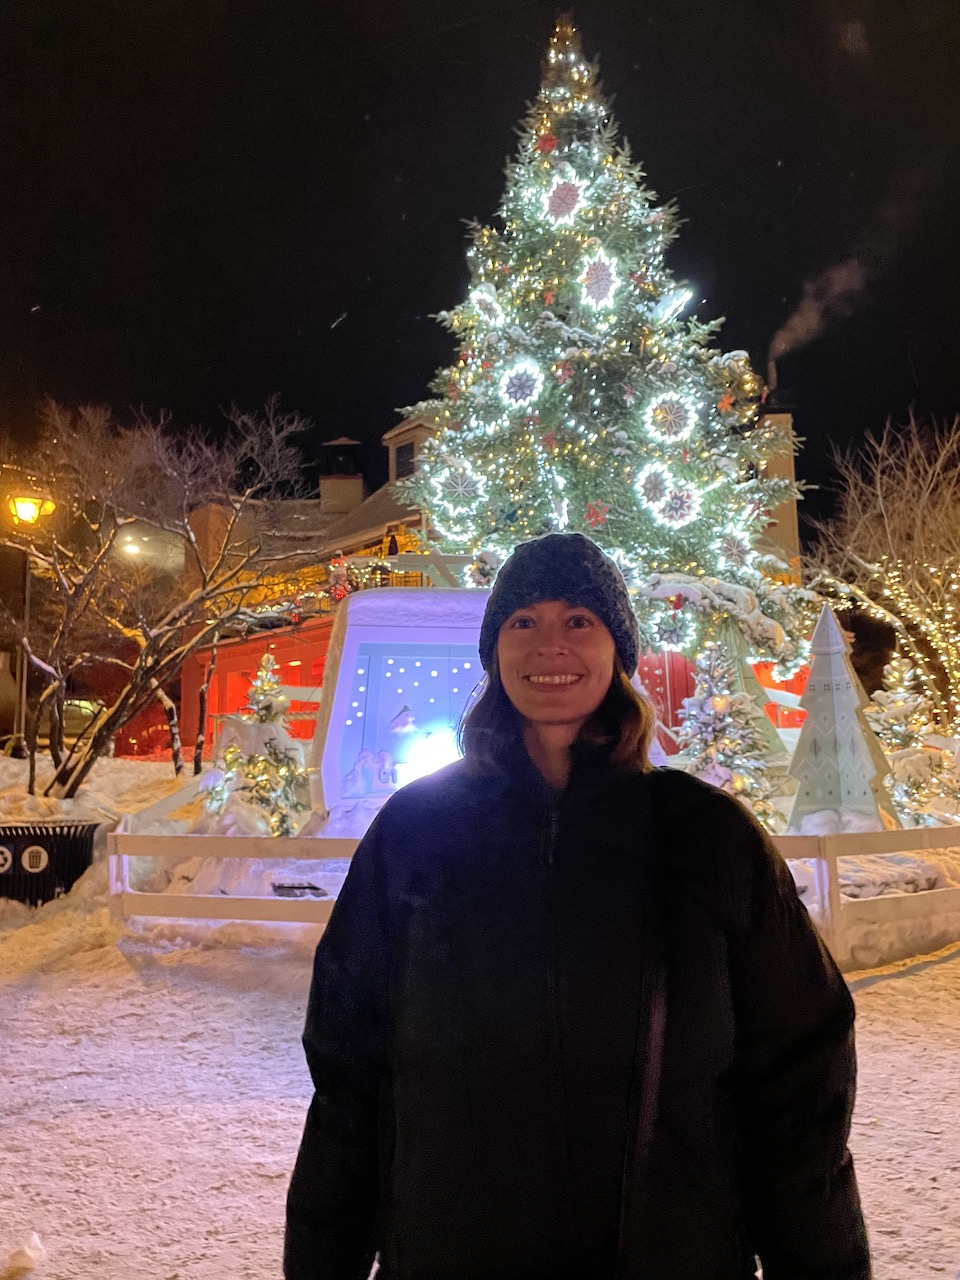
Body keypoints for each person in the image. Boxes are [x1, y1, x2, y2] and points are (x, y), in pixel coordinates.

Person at [284, 532, 872, 1280]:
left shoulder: (706, 837)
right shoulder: (416, 833)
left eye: (579, 621)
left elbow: (799, 1081)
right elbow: (348, 1079)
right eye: (523, 621)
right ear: (494, 651)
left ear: (618, 650)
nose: (549, 645)